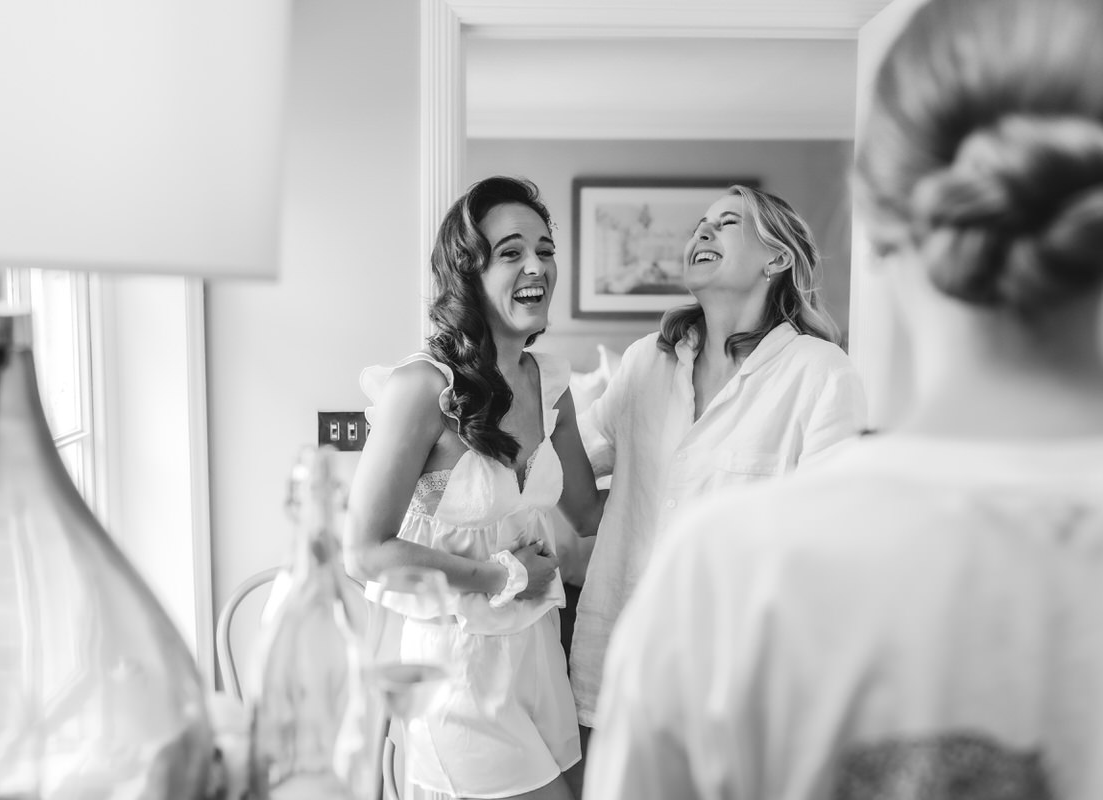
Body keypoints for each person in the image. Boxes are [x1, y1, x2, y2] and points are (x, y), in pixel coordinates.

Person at [585, 0, 1103, 797]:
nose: (704, 232)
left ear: (879, 218)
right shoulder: (650, 378)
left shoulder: (734, 568)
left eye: (730, 221)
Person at [568, 185, 867, 764]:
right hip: (619, 666)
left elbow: (839, 549)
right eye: (699, 224)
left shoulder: (821, 375)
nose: (700, 232)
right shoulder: (643, 365)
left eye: (726, 223)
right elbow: (563, 462)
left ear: (777, 259)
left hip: (737, 688)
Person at [344, 176, 603, 800]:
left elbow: (591, 512)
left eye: (544, 249)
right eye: (511, 252)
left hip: (539, 657)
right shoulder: (420, 388)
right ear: (469, 271)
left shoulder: (551, 385)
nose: (537, 265)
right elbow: (365, 549)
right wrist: (500, 576)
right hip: (453, 668)